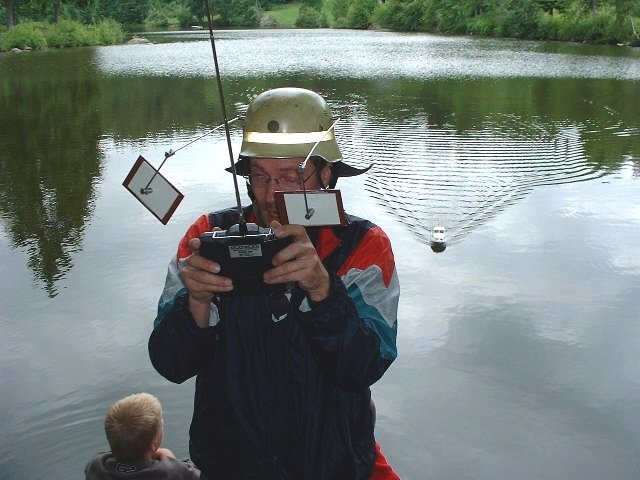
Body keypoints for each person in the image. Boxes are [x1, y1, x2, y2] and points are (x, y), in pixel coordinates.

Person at [149, 87, 400, 480]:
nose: (270, 194)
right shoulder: (207, 237)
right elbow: (171, 364)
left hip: (330, 467)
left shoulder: (364, 246)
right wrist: (195, 304)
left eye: (290, 176)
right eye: (260, 175)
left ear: (326, 173)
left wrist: (323, 292)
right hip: (231, 468)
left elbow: (363, 366)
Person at [85, 392, 201, 479]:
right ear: (153, 445)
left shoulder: (97, 466)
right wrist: (169, 458)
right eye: (161, 425)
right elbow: (198, 474)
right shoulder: (172, 471)